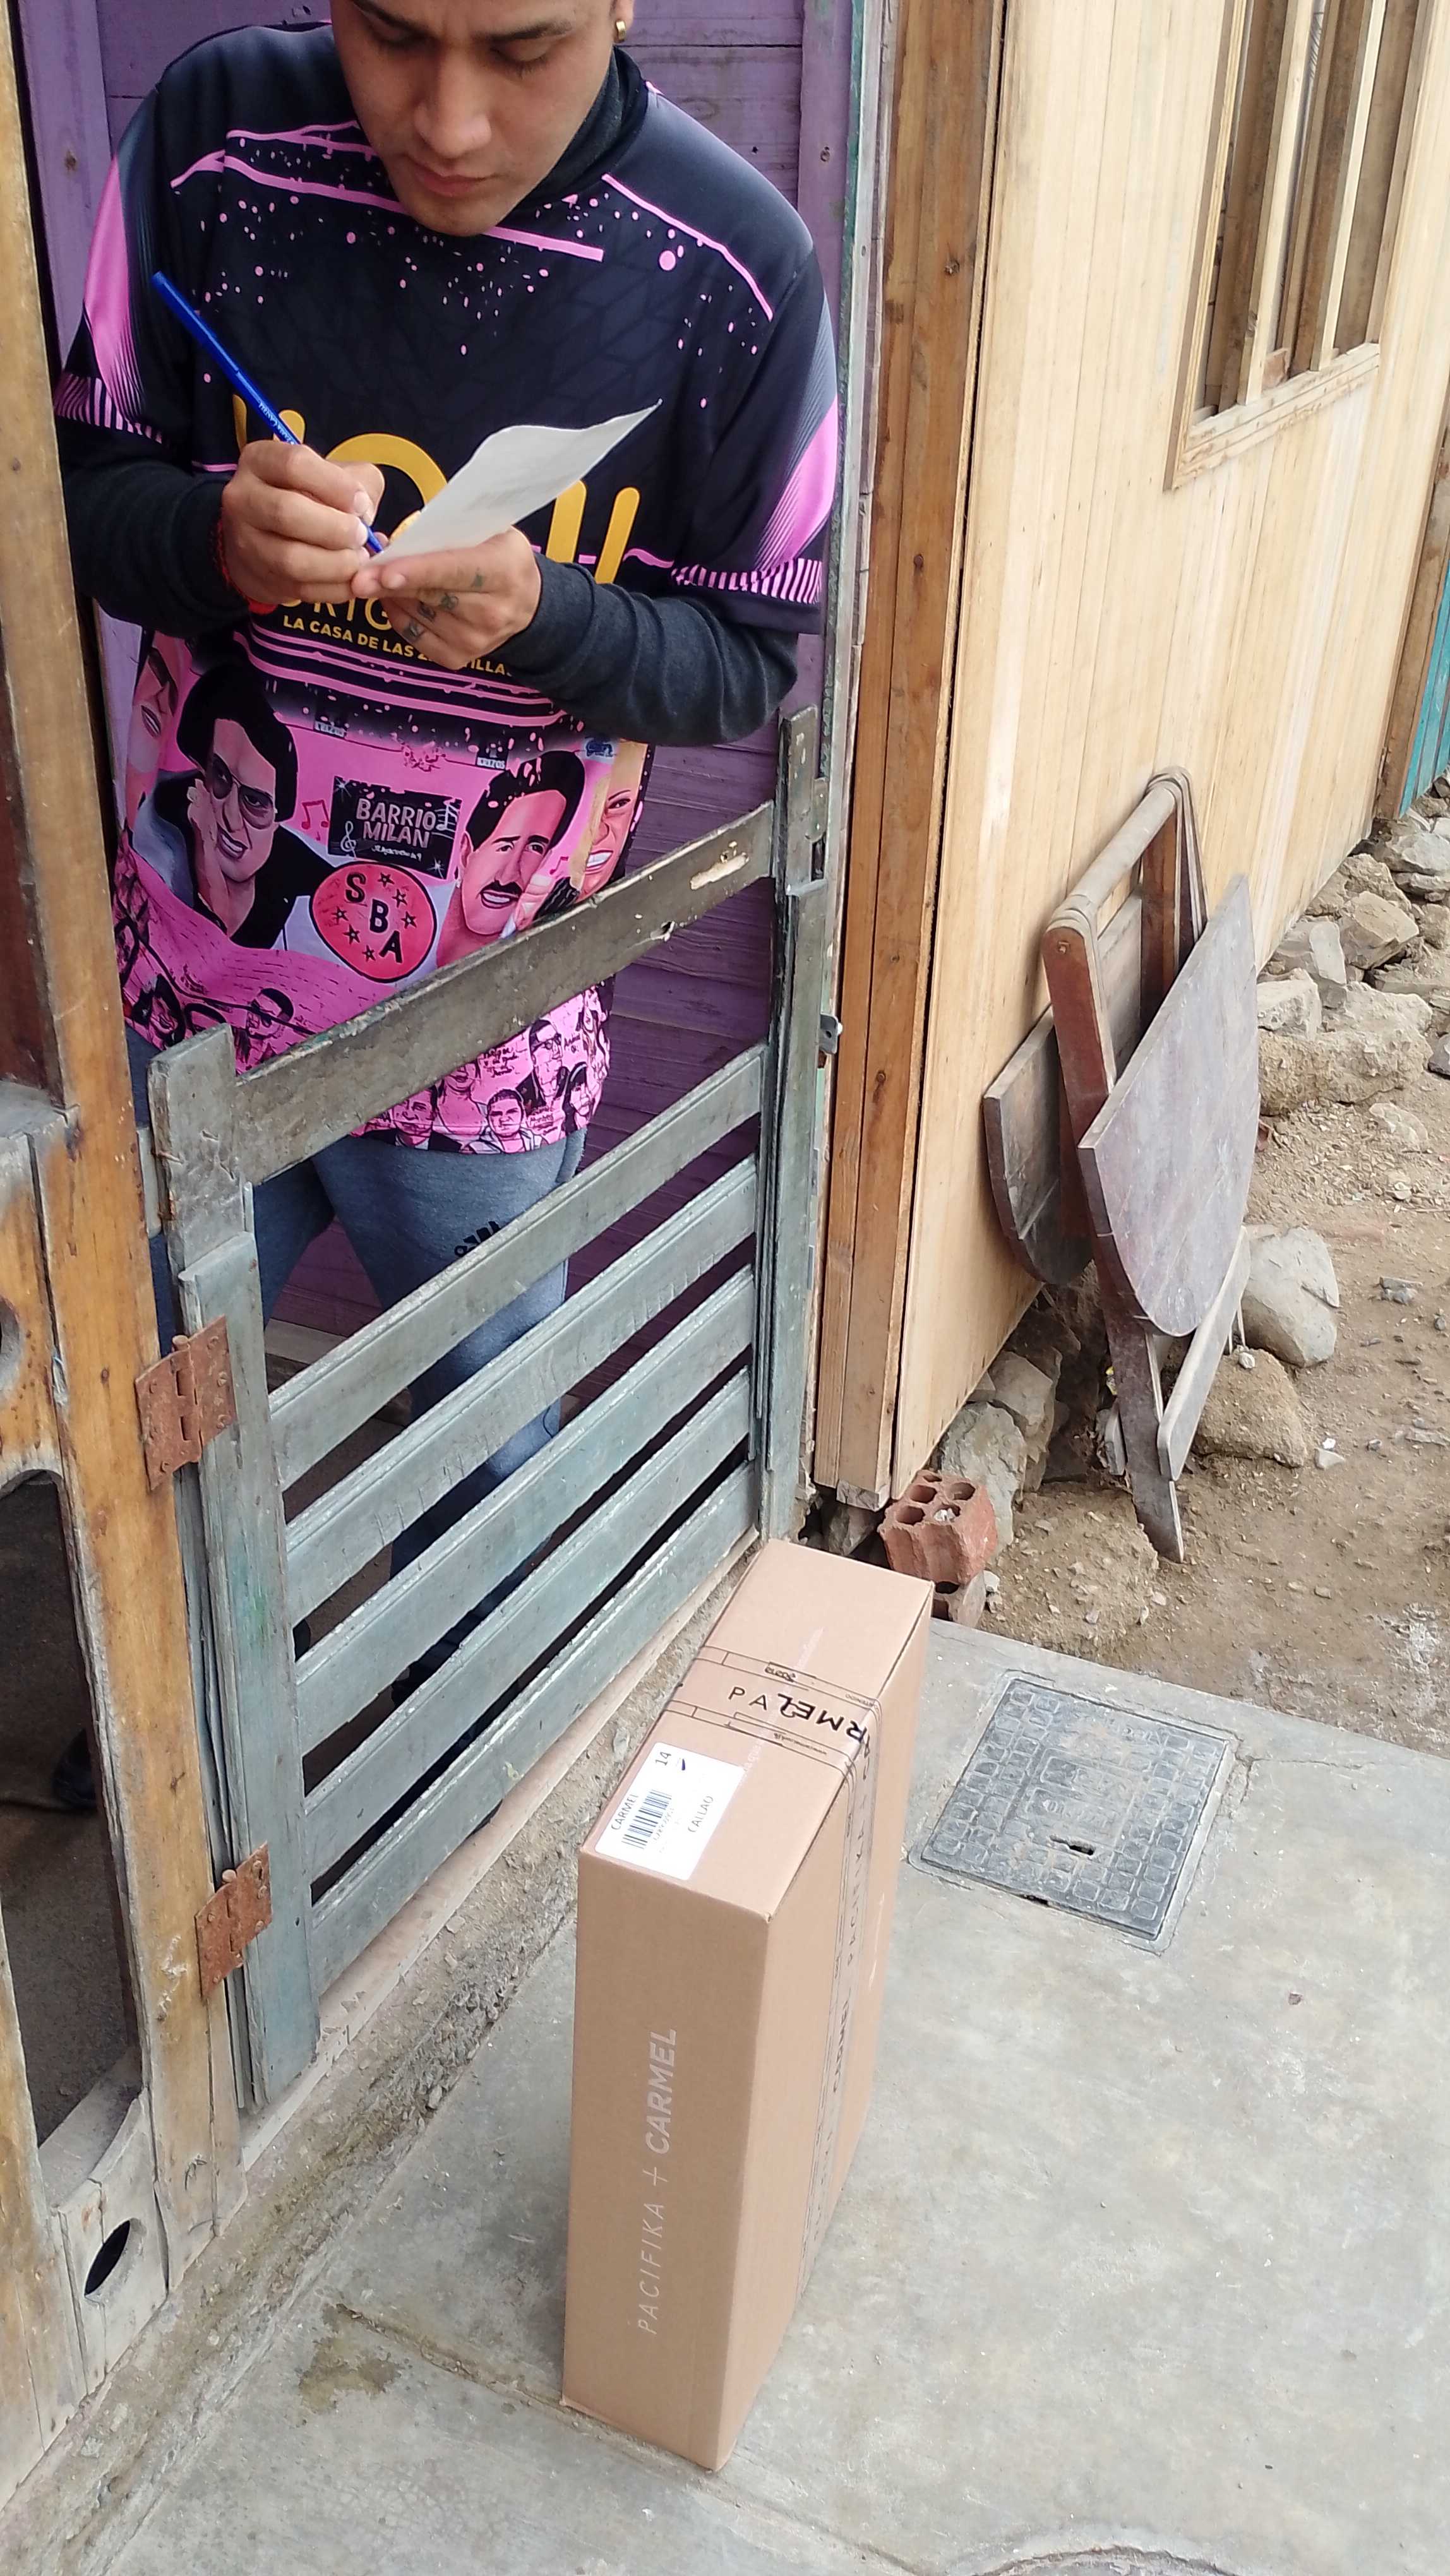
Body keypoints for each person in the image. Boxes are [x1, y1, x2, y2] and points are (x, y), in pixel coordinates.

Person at [55, 0, 837, 1800]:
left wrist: (555, 620)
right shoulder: (214, 140)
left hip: (482, 1037)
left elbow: (749, 661)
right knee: (155, 1436)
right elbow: (76, 488)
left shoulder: (735, 270)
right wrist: (206, 538)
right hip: (193, 1001)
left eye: (523, 47)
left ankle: (441, 1795)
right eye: (394, 34)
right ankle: (177, 1793)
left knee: (477, 1453)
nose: (451, 120)